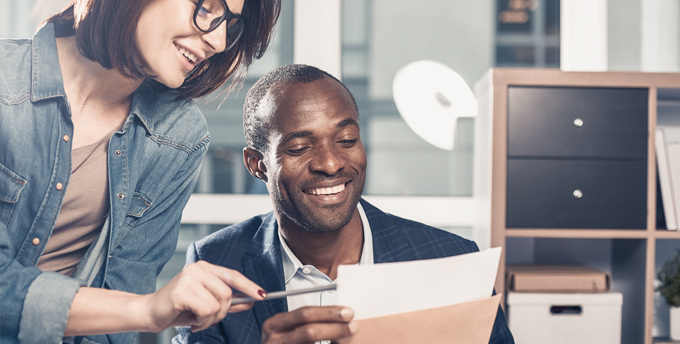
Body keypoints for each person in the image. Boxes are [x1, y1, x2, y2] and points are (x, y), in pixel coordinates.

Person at [0, 0, 281, 342]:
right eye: (206, 8)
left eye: (231, 25)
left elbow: (119, 310)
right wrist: (146, 310)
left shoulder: (179, 136)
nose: (219, 41)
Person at [173, 64, 515, 344]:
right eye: (299, 148)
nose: (331, 163)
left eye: (346, 140)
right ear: (257, 165)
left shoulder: (453, 262)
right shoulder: (218, 264)